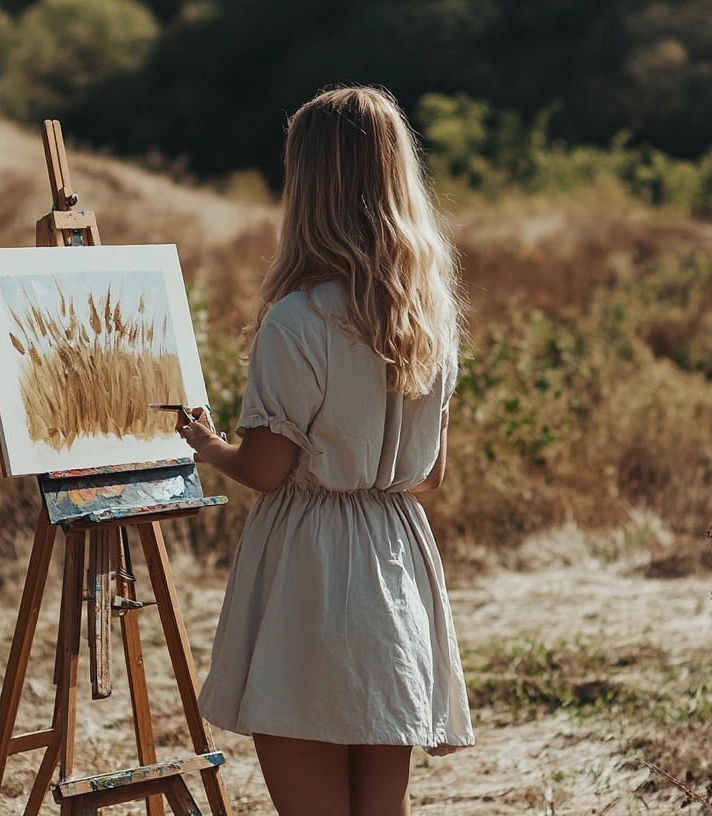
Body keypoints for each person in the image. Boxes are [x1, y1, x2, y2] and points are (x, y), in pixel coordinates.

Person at [175, 85, 474, 816]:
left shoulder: (297, 321)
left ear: (307, 186)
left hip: (310, 572)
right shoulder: (426, 315)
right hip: (394, 559)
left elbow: (267, 471)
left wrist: (209, 445)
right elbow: (429, 474)